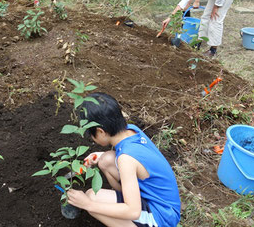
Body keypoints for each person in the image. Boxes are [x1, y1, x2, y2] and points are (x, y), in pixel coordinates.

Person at [67, 93, 181, 227]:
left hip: (162, 217)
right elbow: (134, 160)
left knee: (92, 198)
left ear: (101, 132)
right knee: (106, 160)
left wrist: (88, 205)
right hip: (160, 200)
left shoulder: (126, 159)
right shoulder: (132, 130)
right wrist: (101, 155)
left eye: (90, 134)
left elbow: (133, 211)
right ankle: (128, 201)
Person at [161, 0, 240, 58]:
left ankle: (213, 51)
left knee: (216, 18)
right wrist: (170, 18)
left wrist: (216, 7)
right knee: (206, 15)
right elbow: (184, 1)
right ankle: (198, 42)